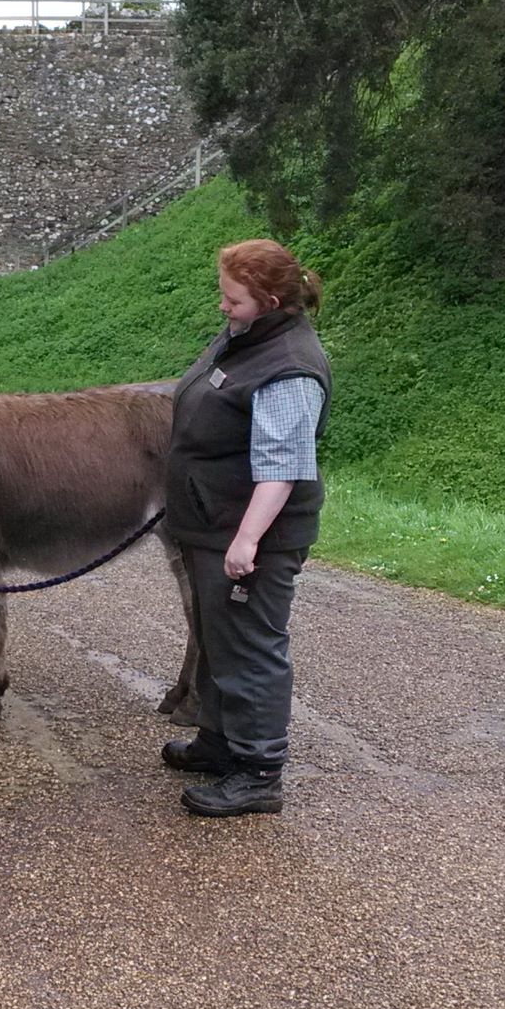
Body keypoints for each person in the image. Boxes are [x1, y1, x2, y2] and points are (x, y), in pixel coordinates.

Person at [161, 237, 332, 818]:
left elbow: (283, 468)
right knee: (219, 637)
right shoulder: (247, 337)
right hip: (214, 520)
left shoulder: (288, 368)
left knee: (253, 646)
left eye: (232, 300)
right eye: (223, 296)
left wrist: (247, 541)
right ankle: (219, 741)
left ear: (270, 299)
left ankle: (258, 772)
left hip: (250, 532)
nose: (223, 308)